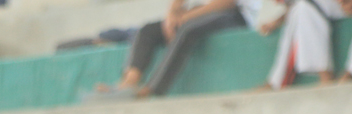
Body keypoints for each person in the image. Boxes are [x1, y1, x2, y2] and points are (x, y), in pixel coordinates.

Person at [92, 0, 258, 100]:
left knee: (187, 30)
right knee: (147, 30)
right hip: (197, 13)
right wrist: (171, 18)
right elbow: (177, 4)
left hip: (234, 15)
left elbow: (227, 3)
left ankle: (152, 89)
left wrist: (185, 18)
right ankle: (129, 82)